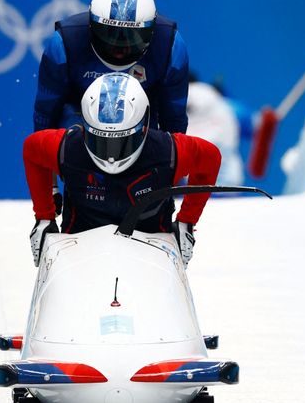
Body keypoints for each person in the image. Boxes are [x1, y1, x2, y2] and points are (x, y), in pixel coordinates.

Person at [24, 73, 220, 267]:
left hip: (152, 258)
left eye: (121, 141)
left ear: (142, 126)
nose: (111, 155)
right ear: (86, 127)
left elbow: (211, 158)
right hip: (78, 257)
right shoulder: (68, 147)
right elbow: (31, 149)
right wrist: (44, 217)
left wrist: (187, 221)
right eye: (100, 140)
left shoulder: (168, 151)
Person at [34, 0, 189, 133]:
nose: (119, 49)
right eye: (109, 33)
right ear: (91, 26)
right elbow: (46, 112)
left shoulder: (170, 45)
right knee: (68, 137)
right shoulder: (64, 43)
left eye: (132, 37)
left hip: (143, 119)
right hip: (77, 113)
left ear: (152, 31)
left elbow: (174, 119)